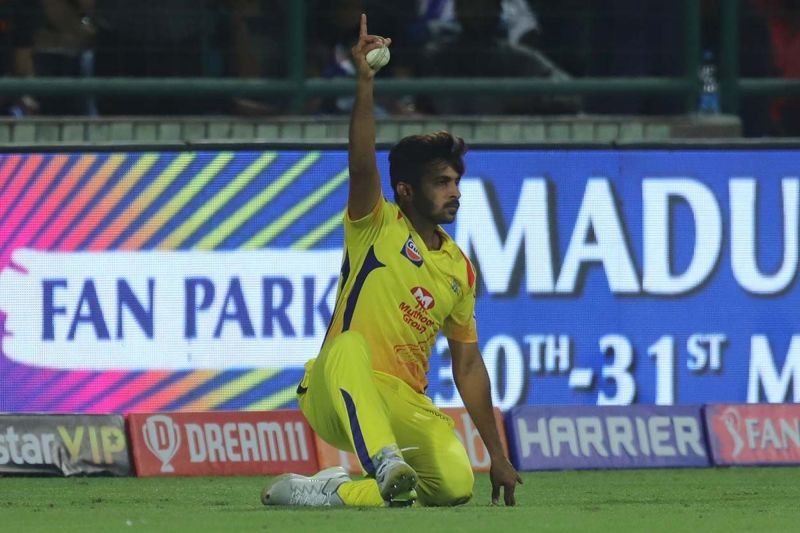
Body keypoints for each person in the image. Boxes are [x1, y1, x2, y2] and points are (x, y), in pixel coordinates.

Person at [261, 14, 522, 508]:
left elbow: (468, 366)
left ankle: (333, 489)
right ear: (405, 190)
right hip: (332, 387)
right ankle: (381, 460)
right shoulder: (375, 224)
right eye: (441, 183)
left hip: (401, 400)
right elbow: (361, 163)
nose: (455, 193)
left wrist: (497, 454)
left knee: (453, 487)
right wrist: (364, 82)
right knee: (348, 347)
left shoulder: (458, 269)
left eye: (456, 182)